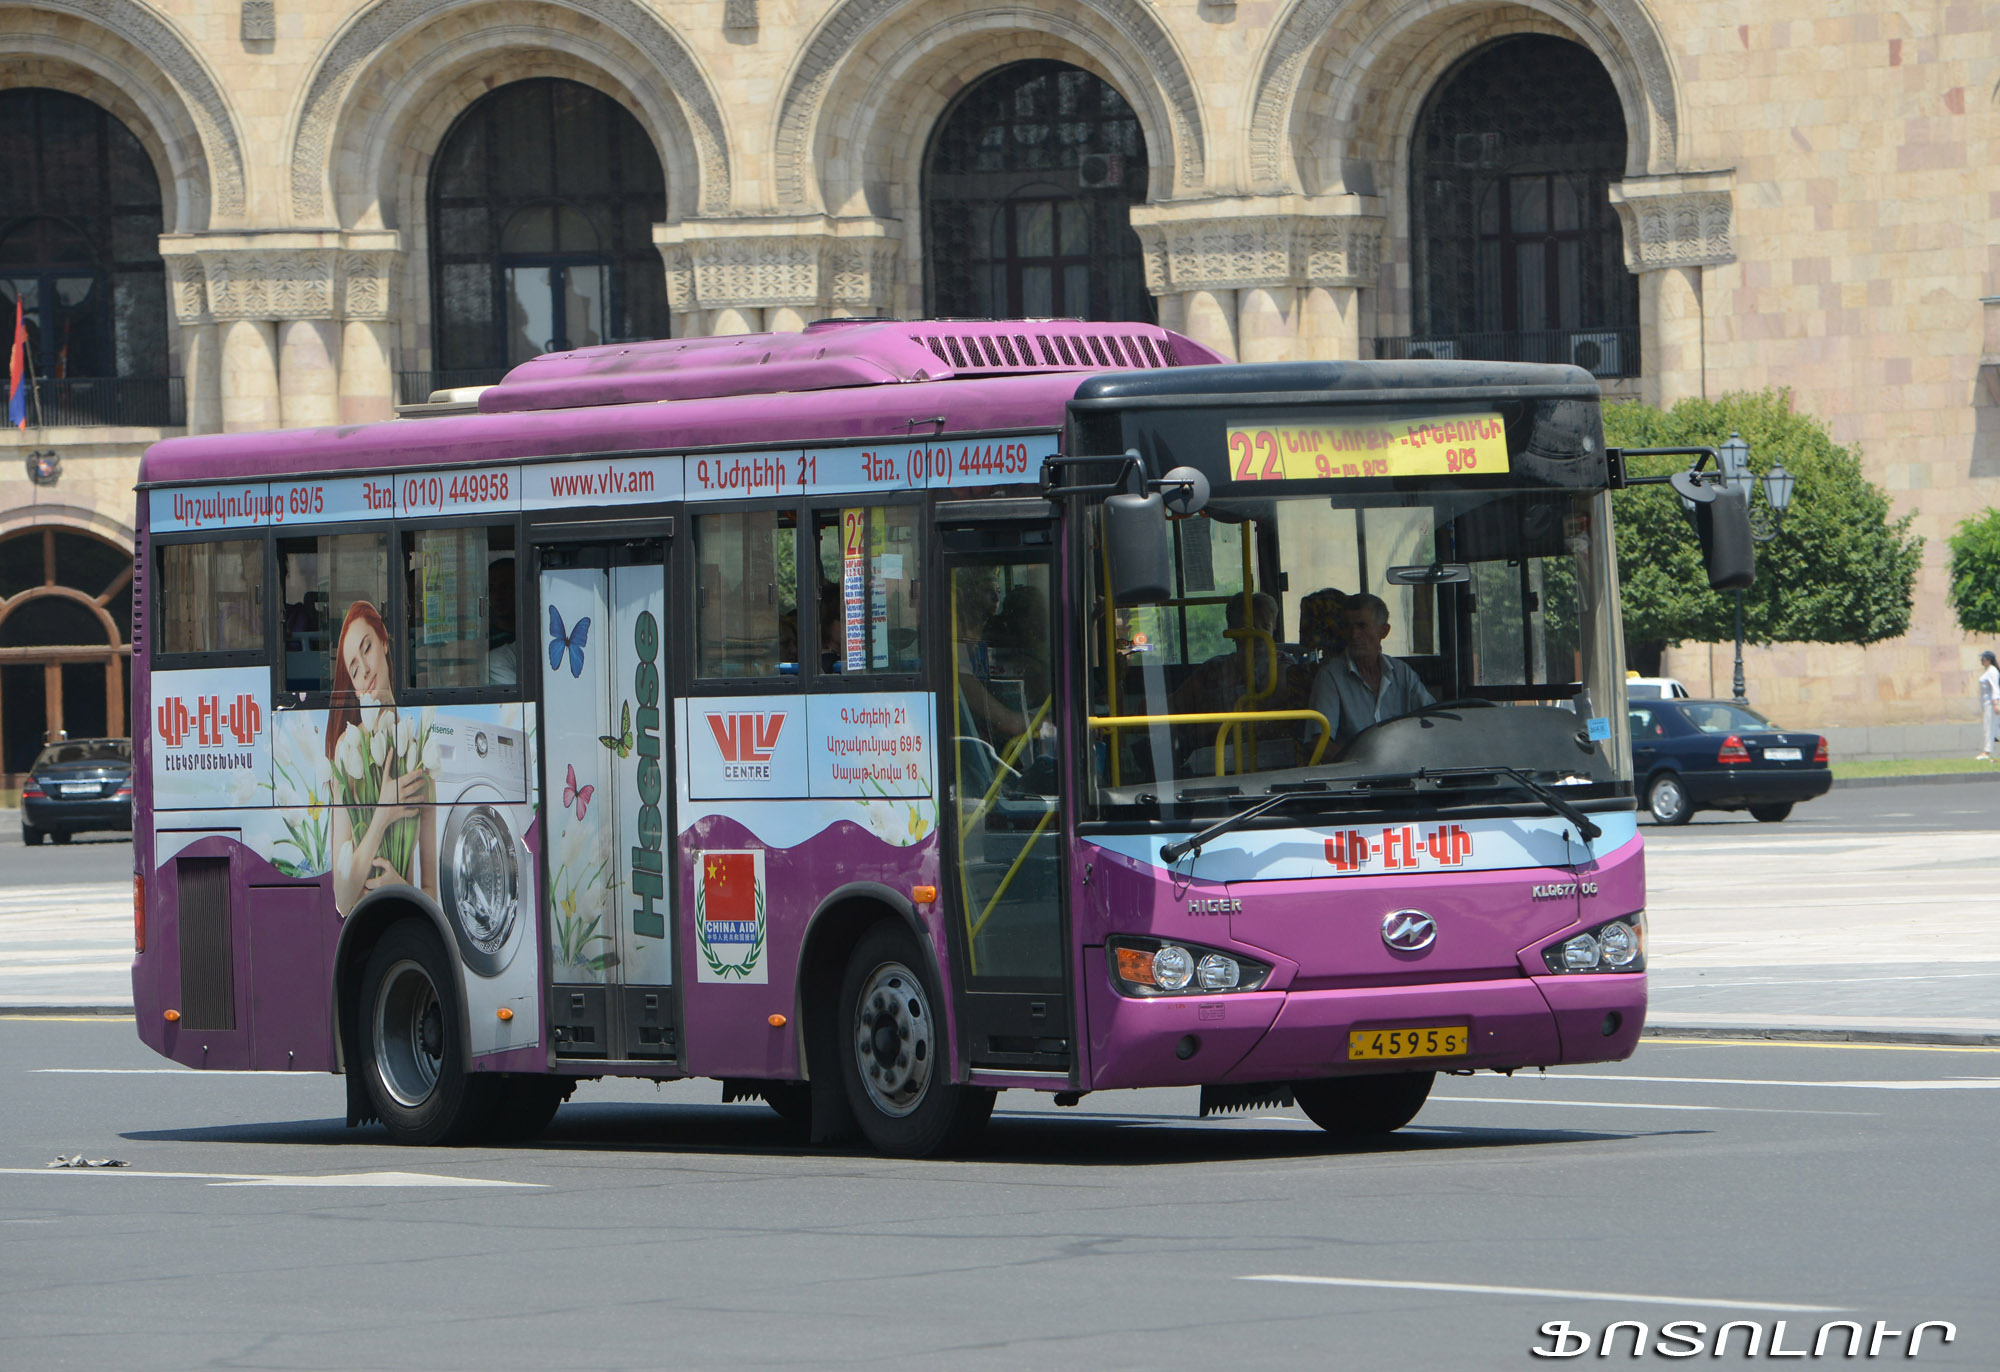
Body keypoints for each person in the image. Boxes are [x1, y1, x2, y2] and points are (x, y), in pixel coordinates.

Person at [326, 600, 436, 915]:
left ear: (385, 641)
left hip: (409, 922)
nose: (366, 671)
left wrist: (401, 886)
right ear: (354, 687)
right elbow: (343, 899)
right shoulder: (348, 747)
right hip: (364, 927)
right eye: (355, 669)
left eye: (368, 648)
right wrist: (383, 814)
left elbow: (431, 893)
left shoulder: (419, 757)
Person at [1308, 593, 1435, 749]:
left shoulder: (1402, 673)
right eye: (1348, 627)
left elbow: (1433, 721)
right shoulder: (1330, 677)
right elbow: (1321, 744)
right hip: (1357, 770)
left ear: (1384, 631)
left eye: (1362, 626)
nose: (1354, 635)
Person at [1978, 650, 1999, 760]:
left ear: (1988, 660)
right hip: (1987, 704)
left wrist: (1996, 703)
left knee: (1990, 727)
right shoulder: (1988, 671)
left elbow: (1995, 688)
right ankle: (1988, 750)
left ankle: (1987, 752)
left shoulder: (1992, 671)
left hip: (1991, 704)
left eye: (1983, 659)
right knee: (1995, 729)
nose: (1981, 661)